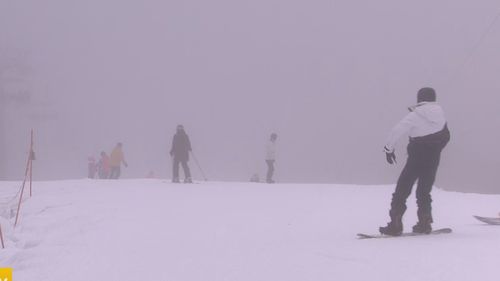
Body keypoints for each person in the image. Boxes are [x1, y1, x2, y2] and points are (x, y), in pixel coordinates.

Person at [379, 87, 450, 236]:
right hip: (433, 158)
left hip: (416, 156)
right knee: (424, 191)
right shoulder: (441, 116)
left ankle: (395, 224)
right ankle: (425, 223)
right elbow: (446, 136)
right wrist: (436, 149)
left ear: (420, 98)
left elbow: (396, 131)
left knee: (402, 189)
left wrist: (388, 149)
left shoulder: (415, 116)